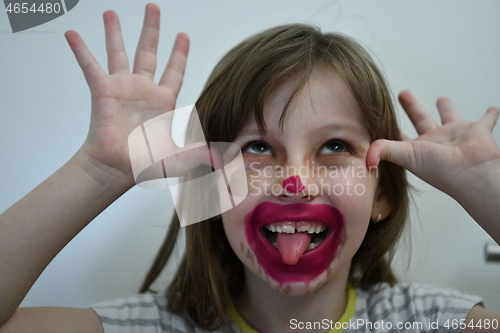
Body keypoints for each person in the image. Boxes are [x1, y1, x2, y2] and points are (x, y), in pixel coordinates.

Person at [0, 3, 499, 333]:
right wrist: (97, 173)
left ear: (382, 195)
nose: (294, 181)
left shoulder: (431, 322)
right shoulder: (150, 326)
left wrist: (486, 191)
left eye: (334, 146)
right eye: (258, 148)